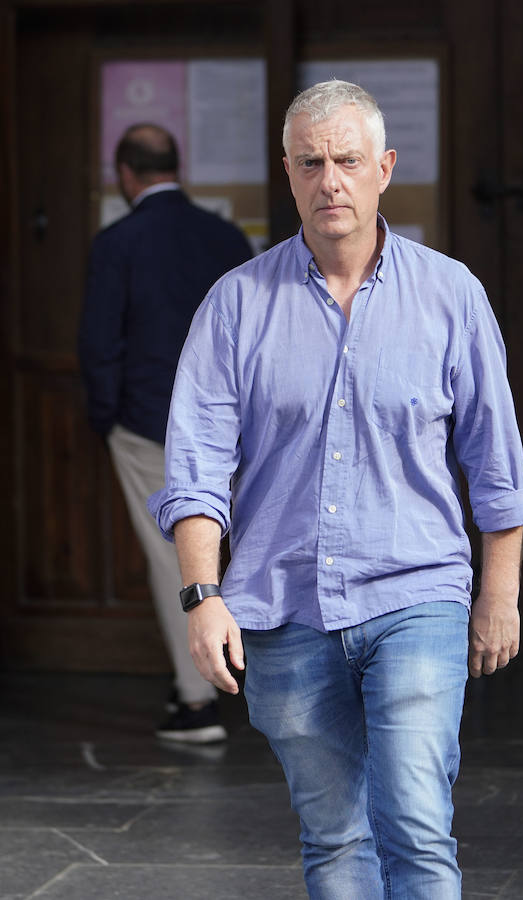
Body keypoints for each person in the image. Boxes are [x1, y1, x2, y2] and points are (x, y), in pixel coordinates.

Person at [149, 81, 523, 897]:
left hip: (416, 592)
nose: (331, 180)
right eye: (312, 162)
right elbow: (196, 466)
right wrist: (201, 596)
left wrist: (499, 595)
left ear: (384, 169)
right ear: (287, 174)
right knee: (333, 841)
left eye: (348, 161)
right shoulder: (235, 307)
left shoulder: (451, 295)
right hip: (285, 606)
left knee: (418, 828)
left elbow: (496, 462)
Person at [78, 123, 252, 744]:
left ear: (126, 174)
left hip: (149, 423)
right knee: (242, 553)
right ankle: (255, 684)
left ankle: (197, 702)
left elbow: (101, 345)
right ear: (178, 165)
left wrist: (106, 420)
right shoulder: (227, 237)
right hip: (235, 428)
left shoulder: (117, 241)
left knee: (173, 562)